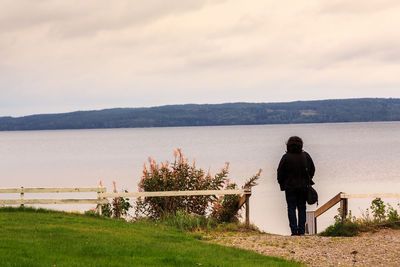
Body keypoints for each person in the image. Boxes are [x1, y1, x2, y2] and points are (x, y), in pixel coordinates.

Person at [277, 136, 315, 236]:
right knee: (302, 208)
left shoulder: (286, 157)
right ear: (301, 145)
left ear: (288, 145)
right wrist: (308, 179)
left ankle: (294, 231)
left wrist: (282, 184)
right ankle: (301, 231)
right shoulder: (305, 156)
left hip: (289, 187)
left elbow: (279, 172)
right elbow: (312, 169)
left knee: (291, 208)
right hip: (303, 187)